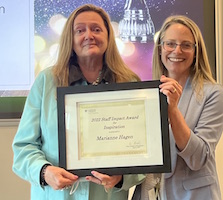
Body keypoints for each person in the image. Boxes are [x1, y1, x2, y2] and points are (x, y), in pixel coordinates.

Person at [12, 4, 145, 200]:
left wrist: (122, 177)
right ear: (70, 39)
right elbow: (23, 147)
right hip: (55, 195)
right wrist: (45, 172)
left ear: (108, 36)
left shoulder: (129, 83)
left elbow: (144, 150)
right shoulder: (46, 81)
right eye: (80, 30)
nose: (89, 35)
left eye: (96, 29)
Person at [132, 15, 223, 200]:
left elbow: (198, 158)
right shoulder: (146, 94)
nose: (177, 50)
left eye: (186, 45)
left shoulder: (214, 94)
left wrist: (173, 110)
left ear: (196, 51)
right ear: (160, 49)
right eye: (170, 44)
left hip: (193, 195)